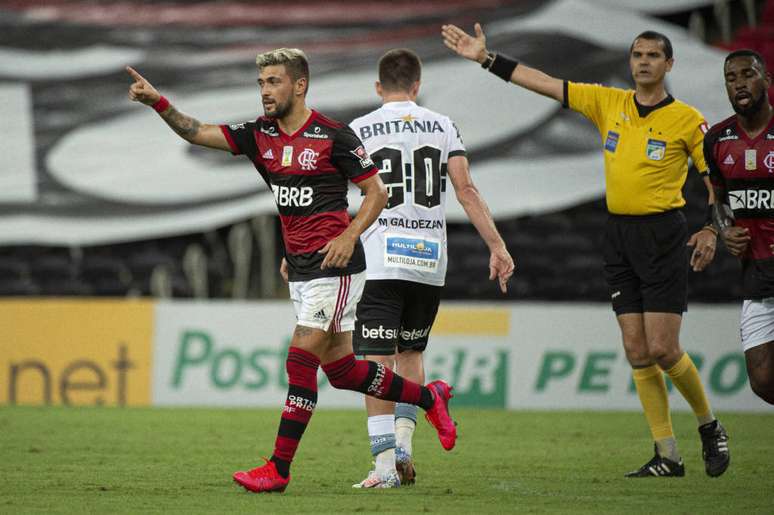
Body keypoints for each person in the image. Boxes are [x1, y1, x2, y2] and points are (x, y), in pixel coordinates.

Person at [126, 48, 457, 494]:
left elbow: (376, 193)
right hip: (300, 270)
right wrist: (158, 103)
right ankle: (429, 396)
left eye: (274, 81)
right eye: (261, 82)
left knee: (299, 362)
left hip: (334, 268)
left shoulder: (334, 136)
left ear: (299, 85)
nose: (265, 90)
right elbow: (196, 132)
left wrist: (348, 236)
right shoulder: (259, 135)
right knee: (341, 372)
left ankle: (278, 468)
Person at [441, 24, 730, 477]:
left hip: (663, 235)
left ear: (669, 64)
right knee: (636, 350)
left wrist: (711, 229)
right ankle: (667, 454)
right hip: (618, 234)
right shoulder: (608, 102)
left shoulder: (689, 120)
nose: (643, 62)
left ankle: (709, 425)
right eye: (637, 54)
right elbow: (544, 83)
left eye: (653, 55)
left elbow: (717, 181)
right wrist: (485, 58)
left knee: (664, 349)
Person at [346, 48, 515, 488]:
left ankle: (384, 467)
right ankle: (403, 445)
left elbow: (338, 198)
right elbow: (466, 190)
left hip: (383, 257)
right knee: (411, 354)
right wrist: (497, 246)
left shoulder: (358, 129)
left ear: (378, 87)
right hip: (427, 260)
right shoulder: (443, 125)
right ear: (417, 86)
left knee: (376, 360)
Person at [705, 49, 774, 405]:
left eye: (747, 74)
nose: (739, 84)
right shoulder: (717, 140)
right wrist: (723, 228)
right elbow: (717, 202)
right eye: (731, 79)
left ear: (766, 79)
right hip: (757, 272)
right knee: (762, 380)